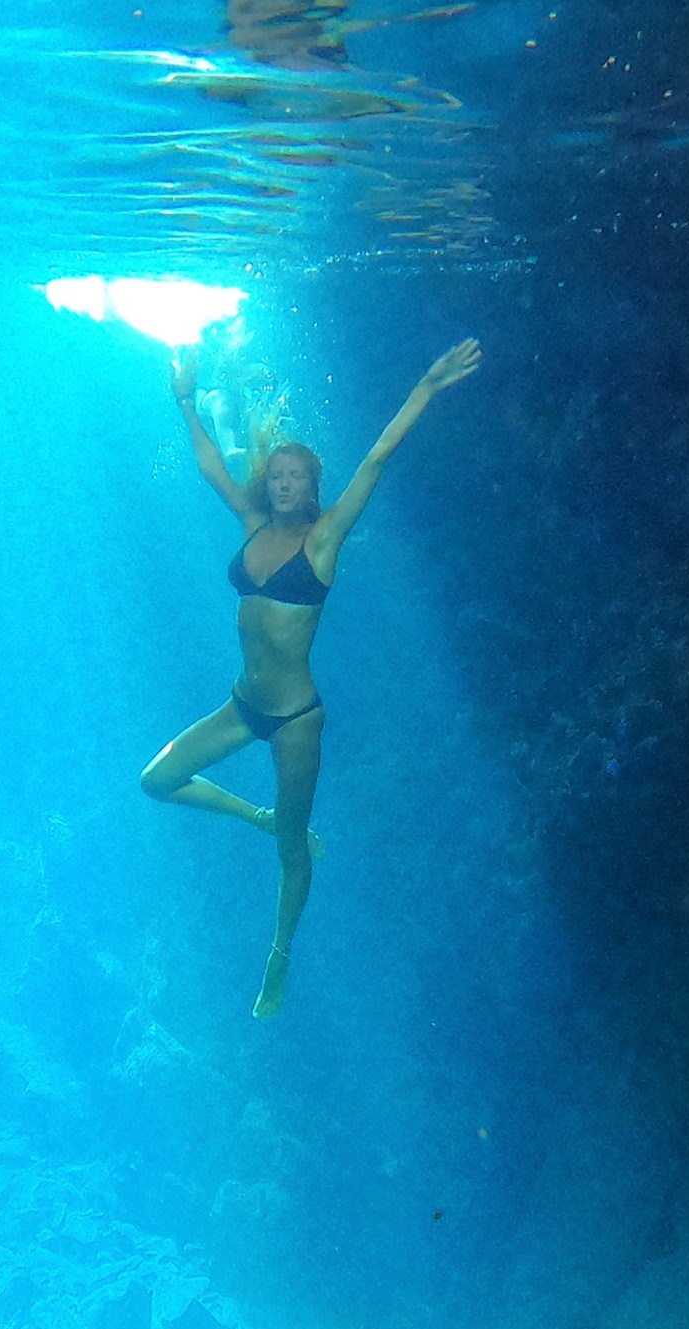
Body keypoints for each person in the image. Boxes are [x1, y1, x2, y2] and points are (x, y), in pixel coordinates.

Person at [140, 337, 483, 1017]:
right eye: (276, 474)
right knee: (156, 780)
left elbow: (377, 458)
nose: (283, 483)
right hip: (242, 706)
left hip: (295, 718)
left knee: (295, 852)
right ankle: (256, 816)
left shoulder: (323, 539)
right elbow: (210, 465)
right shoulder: (250, 522)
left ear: (312, 486)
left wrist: (427, 385)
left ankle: (279, 957)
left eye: (296, 476)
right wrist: (184, 400)